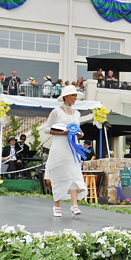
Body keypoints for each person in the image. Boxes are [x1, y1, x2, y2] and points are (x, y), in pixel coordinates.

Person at [44, 86, 89, 217]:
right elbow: (47, 129)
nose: (75, 98)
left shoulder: (77, 113)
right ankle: (56, 205)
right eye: (73, 95)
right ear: (66, 96)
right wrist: (62, 132)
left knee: (73, 173)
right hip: (59, 146)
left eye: (76, 96)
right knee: (58, 173)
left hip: (72, 147)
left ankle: (74, 205)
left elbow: (78, 128)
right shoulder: (56, 111)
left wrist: (80, 133)